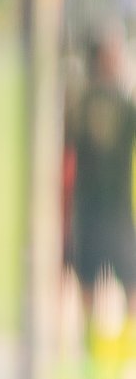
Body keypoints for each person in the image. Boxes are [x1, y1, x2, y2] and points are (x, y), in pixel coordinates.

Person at [68, 28, 136, 347]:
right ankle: (94, 351)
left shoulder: (85, 102)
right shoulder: (106, 103)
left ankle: (107, 352)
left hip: (111, 212)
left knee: (118, 283)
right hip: (97, 212)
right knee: (92, 284)